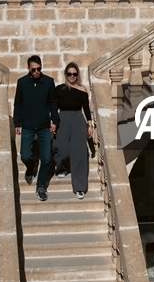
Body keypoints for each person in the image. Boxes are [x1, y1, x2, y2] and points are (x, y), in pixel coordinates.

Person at [13, 55, 59, 201]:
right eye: (34, 69)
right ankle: (30, 167)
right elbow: (18, 104)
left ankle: (40, 186)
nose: (37, 72)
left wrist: (55, 121)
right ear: (28, 69)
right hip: (27, 125)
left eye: (39, 69)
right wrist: (17, 123)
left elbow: (53, 103)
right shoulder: (22, 83)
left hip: (44, 126)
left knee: (46, 159)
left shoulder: (48, 82)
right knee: (25, 155)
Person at [52, 61, 94, 199]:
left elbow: (86, 109)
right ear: (65, 74)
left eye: (75, 74)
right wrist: (53, 122)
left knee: (80, 152)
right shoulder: (59, 89)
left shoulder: (82, 90)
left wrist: (89, 124)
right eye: (69, 74)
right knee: (61, 148)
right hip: (62, 117)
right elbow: (54, 107)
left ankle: (80, 187)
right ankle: (61, 168)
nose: (72, 76)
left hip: (78, 119)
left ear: (78, 75)